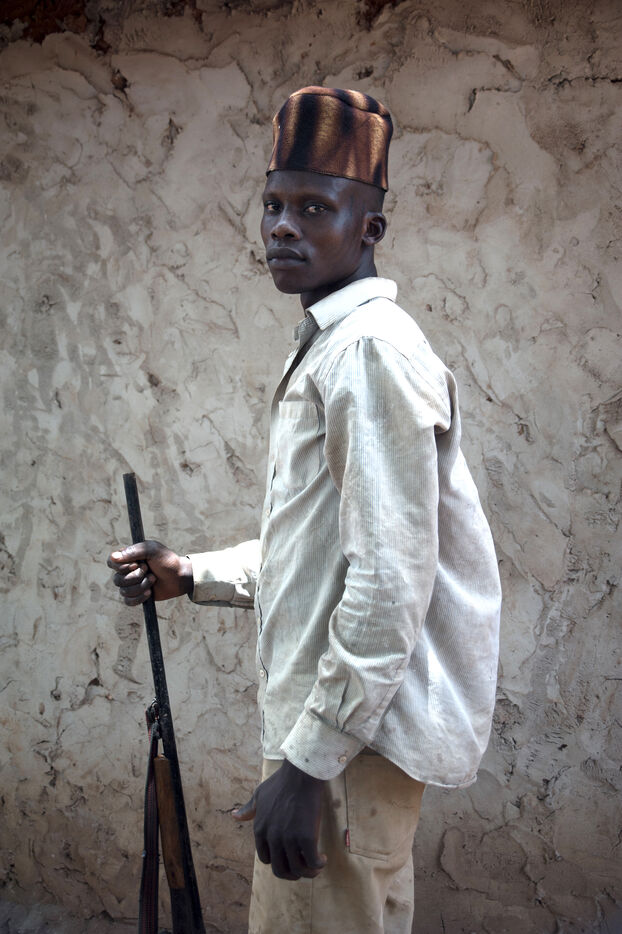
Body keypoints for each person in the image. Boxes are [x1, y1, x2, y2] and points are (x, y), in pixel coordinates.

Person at [108, 86, 501, 934]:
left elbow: (389, 579)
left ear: (370, 229)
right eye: (273, 206)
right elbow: (323, 552)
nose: (283, 227)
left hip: (344, 756)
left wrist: (310, 764)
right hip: (336, 746)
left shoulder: (366, 353)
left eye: (314, 208)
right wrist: (193, 574)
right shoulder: (335, 346)